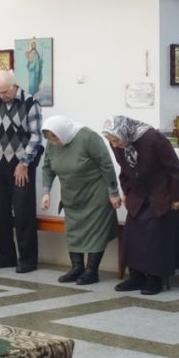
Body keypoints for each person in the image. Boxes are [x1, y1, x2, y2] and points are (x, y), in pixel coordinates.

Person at [102, 116, 179, 295]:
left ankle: (154, 278)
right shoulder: (118, 143)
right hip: (137, 194)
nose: (114, 145)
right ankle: (136, 276)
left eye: (116, 140)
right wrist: (126, 192)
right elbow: (124, 169)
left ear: (124, 132)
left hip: (160, 193)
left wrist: (177, 196)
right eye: (111, 141)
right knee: (132, 236)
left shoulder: (153, 138)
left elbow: (173, 167)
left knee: (155, 237)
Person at [40, 116, 120, 284]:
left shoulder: (88, 137)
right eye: (48, 138)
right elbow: (47, 167)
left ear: (62, 131)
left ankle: (92, 271)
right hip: (72, 196)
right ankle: (77, 267)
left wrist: (113, 193)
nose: (52, 141)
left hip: (95, 194)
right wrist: (46, 192)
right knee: (73, 232)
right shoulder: (52, 143)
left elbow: (106, 164)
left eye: (54, 137)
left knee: (96, 233)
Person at [0, 69, 43, 273]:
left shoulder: (30, 103)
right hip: (0, 162)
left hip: (22, 165)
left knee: (23, 212)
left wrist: (24, 163)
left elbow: (36, 136)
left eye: (4, 91)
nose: (1, 96)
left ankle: (28, 259)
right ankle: (5, 256)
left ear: (14, 85)